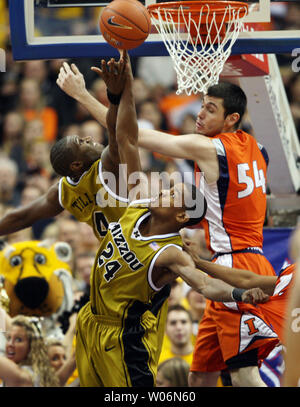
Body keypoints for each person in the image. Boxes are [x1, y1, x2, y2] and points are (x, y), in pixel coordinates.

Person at [57, 61, 278, 387]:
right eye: (201, 106)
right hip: (231, 255)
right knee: (199, 376)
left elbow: (130, 135)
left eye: (210, 110)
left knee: (244, 373)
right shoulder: (258, 149)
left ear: (231, 119)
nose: (200, 115)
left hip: (235, 258)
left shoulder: (208, 147)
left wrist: (84, 95)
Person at [0, 58, 129, 243]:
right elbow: (118, 130)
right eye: (82, 142)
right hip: (140, 247)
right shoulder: (106, 166)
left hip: (115, 257)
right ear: (76, 164)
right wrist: (114, 95)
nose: (89, 139)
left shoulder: (64, 191)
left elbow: (21, 217)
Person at [0, 313, 59, 387]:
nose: (10, 344)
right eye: (9, 338)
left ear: (31, 346)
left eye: (18, 340)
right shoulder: (37, 372)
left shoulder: (22, 376)